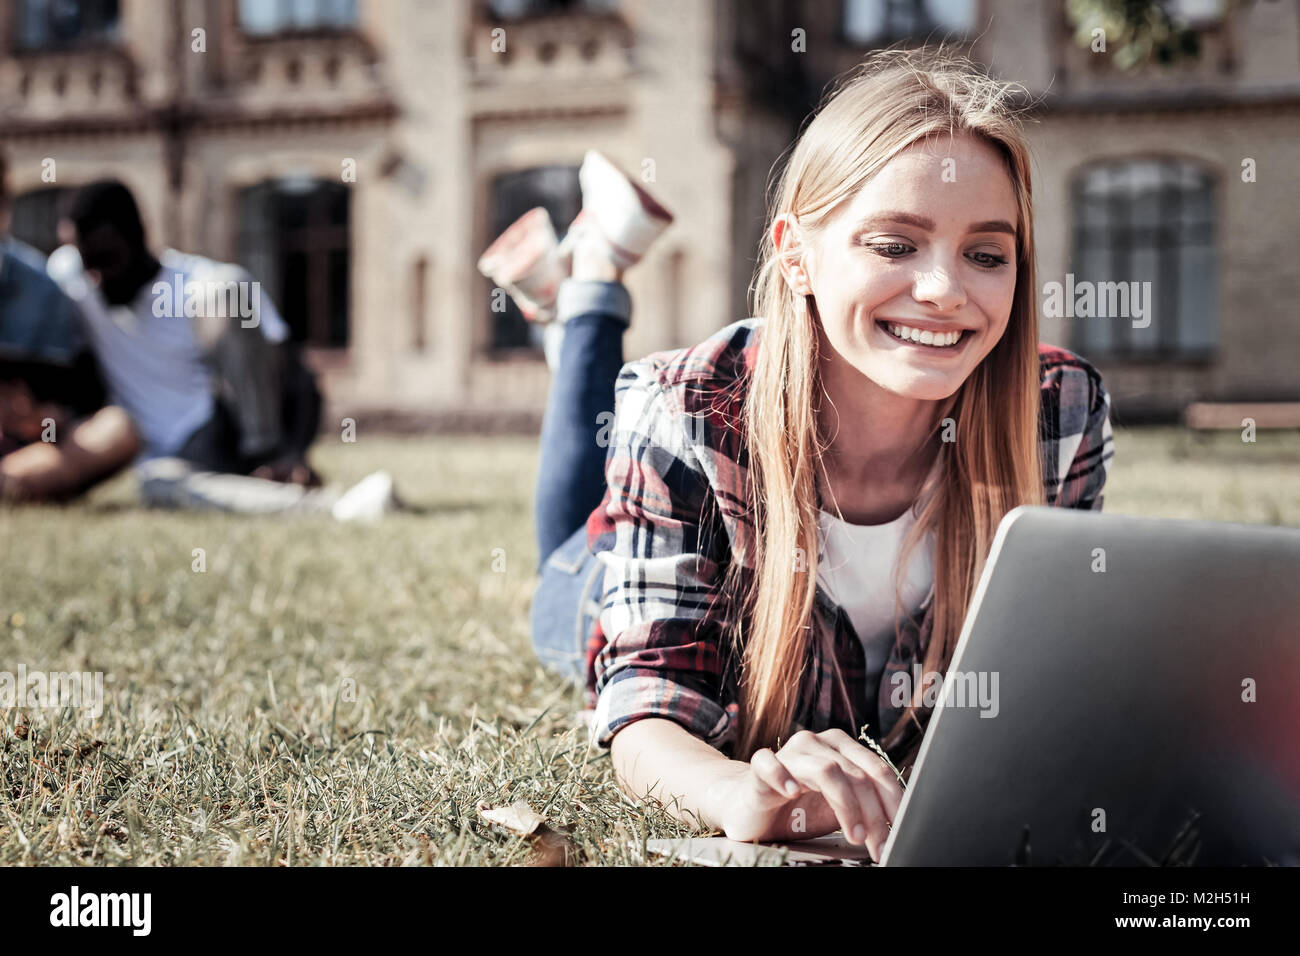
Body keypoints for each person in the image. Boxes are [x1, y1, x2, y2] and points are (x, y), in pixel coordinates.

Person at [487, 50, 1115, 859]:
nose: (945, 290)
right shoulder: (685, 408)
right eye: (895, 245)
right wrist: (728, 790)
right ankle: (588, 290)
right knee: (572, 553)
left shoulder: (1058, 411)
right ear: (796, 255)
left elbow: (1053, 684)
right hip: (600, 578)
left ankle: (570, 298)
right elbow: (648, 696)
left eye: (986, 254)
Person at [47, 180, 395, 519]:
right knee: (159, 484)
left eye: (107, 260)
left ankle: (269, 461)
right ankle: (334, 508)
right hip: (167, 461)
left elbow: (299, 378)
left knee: (229, 289)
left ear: (139, 235)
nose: (97, 278)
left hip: (224, 429)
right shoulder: (71, 277)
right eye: (86, 262)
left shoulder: (193, 282)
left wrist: (292, 452)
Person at [0, 163, 140, 502]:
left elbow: (70, 403)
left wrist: (44, 416)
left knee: (118, 428)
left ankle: (17, 483)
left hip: (23, 449)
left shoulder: (43, 290)